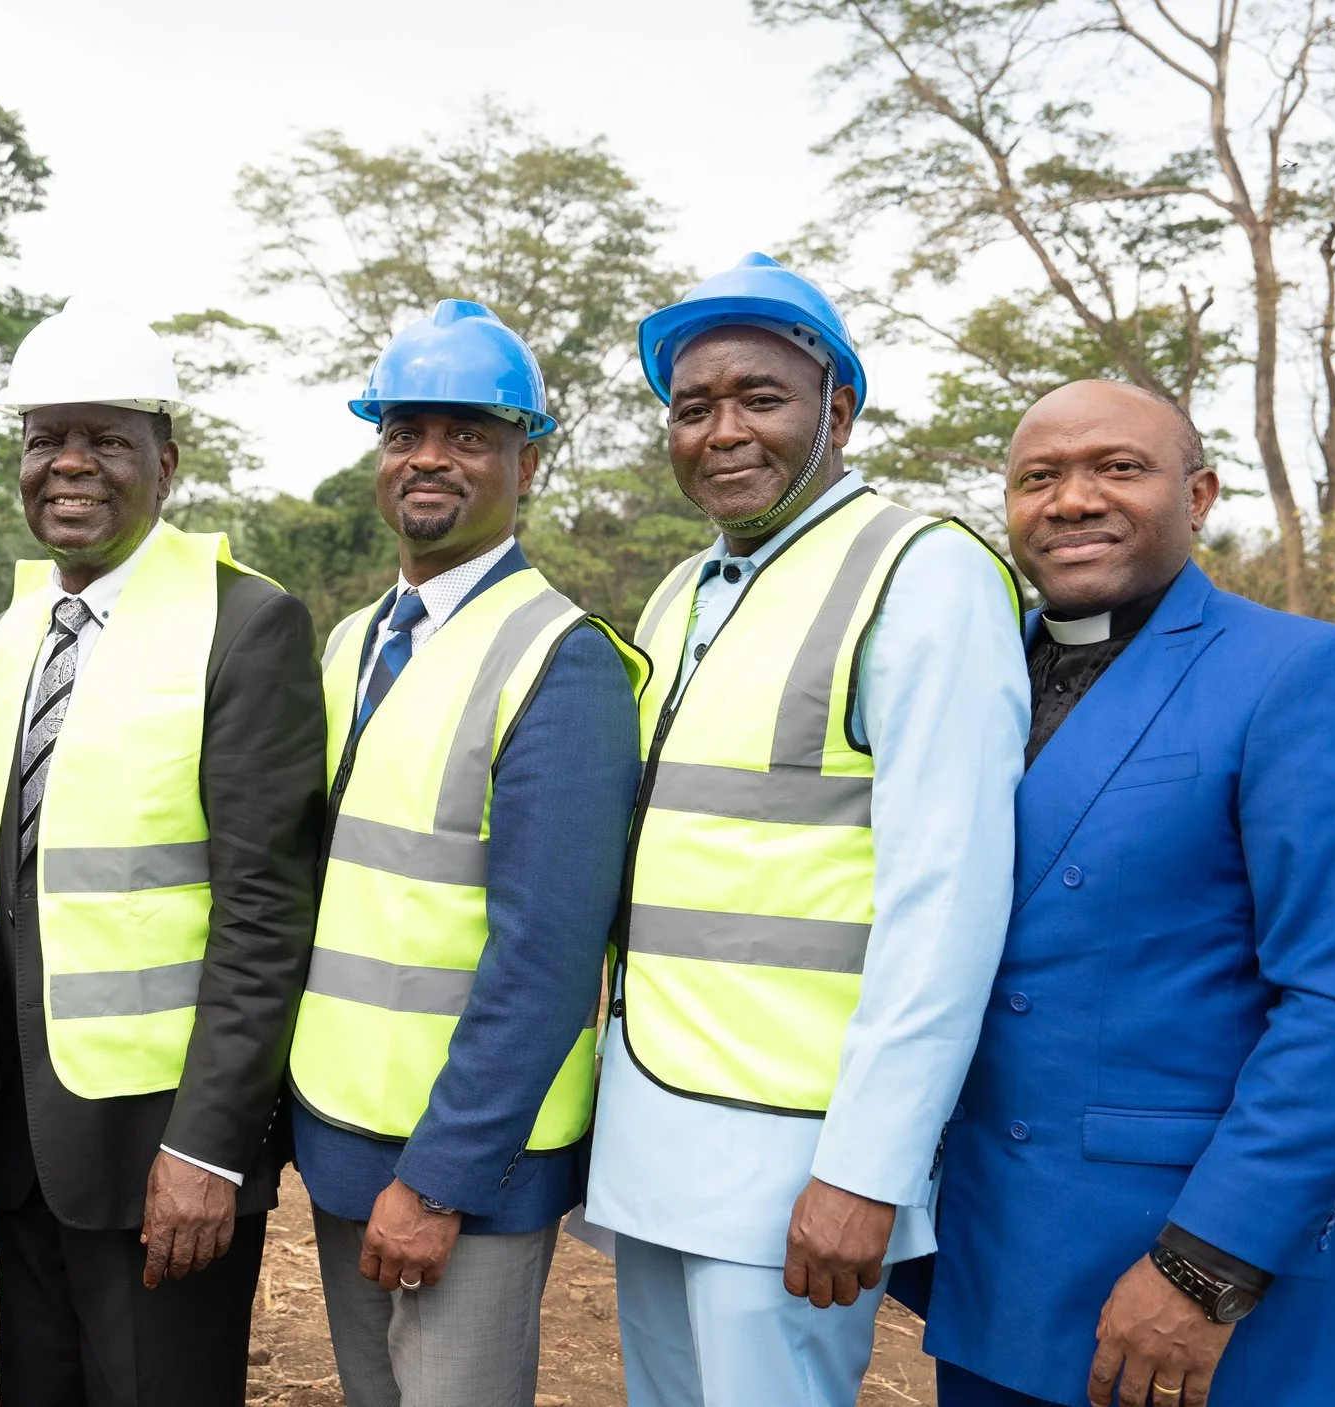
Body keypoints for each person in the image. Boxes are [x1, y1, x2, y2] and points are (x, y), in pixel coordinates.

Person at [920, 380, 1335, 1407]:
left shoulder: (1307, 673)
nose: (1072, 498)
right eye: (1038, 477)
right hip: (994, 1257)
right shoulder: (971, 674)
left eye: (1118, 468)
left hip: (1186, 1274)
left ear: (1197, 496)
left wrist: (1204, 1267)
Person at [569, 254, 1028, 1407]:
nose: (722, 431)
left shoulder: (921, 573)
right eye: (692, 407)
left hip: (795, 1153)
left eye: (759, 397)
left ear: (839, 409)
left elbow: (949, 899)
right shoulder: (681, 590)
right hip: (654, 1126)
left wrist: (867, 1168)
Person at [0, 297, 324, 1407]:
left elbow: (265, 910)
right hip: (28, 1143)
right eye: (45, 439)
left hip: (163, 1148)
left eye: (105, 439)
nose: (69, 464)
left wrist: (210, 1148)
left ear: (165, 463)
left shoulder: (246, 626)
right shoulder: (7, 639)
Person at [285, 300, 644, 1407]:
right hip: (343, 1136)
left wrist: (441, 1181)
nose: (429, 457)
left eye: (468, 435)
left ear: (526, 463)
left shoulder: (563, 660)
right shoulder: (351, 641)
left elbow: (547, 958)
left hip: (468, 1168)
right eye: (405, 433)